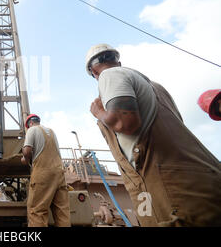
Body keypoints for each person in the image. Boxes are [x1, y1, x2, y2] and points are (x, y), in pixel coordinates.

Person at [86, 43, 221, 227]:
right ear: (118, 61)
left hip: (172, 192)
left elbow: (124, 122)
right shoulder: (157, 88)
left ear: (93, 71)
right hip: (202, 184)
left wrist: (99, 112)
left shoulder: (109, 75)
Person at [21, 114, 70, 227]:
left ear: (30, 123)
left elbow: (27, 151)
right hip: (59, 174)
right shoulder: (52, 132)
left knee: (37, 211)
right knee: (62, 213)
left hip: (43, 174)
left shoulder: (32, 130)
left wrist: (25, 159)